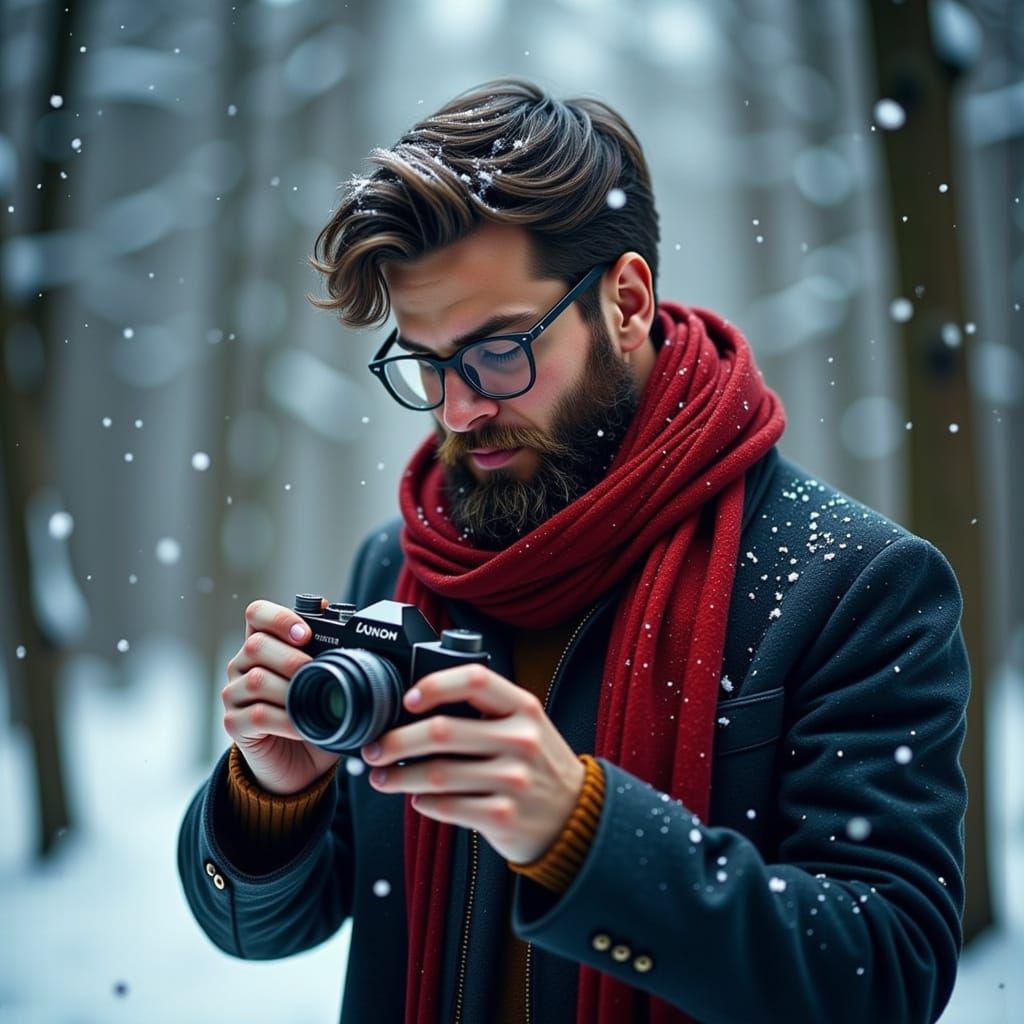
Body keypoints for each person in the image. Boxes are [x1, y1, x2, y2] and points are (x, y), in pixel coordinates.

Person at [177, 79, 969, 1024]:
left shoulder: (854, 583)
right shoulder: (399, 567)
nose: (459, 409)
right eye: (424, 364)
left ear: (625, 301)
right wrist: (273, 793)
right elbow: (263, 932)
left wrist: (583, 833)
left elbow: (888, 973)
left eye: (498, 350)